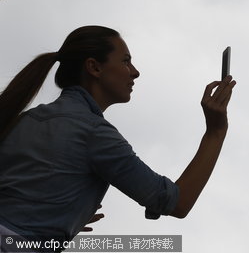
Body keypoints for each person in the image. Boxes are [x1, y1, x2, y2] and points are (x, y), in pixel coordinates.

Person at [0, 26, 235, 251]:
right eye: (125, 61)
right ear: (94, 67)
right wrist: (215, 132)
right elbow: (178, 202)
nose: (135, 71)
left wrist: (57, 215)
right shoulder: (94, 133)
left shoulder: (24, 119)